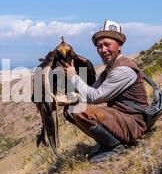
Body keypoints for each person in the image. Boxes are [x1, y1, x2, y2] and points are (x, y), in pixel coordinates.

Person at [58, 19, 149, 163]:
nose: (103, 50)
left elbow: (95, 97)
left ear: (119, 45)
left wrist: (73, 77)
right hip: (122, 118)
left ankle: (115, 147)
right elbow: (90, 92)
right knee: (70, 110)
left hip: (134, 123)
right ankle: (106, 142)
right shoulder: (110, 69)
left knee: (78, 109)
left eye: (107, 44)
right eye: (99, 46)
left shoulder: (124, 69)